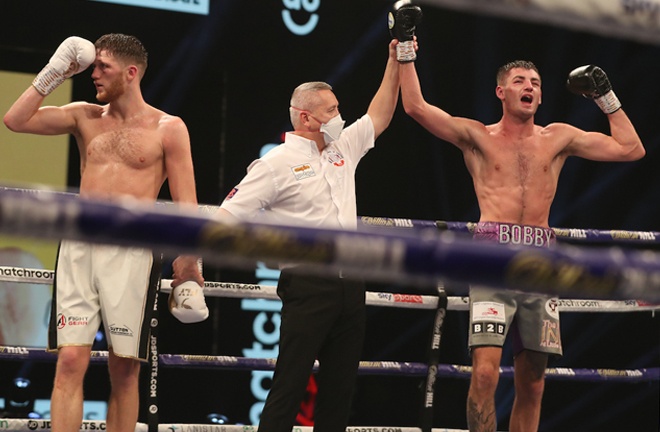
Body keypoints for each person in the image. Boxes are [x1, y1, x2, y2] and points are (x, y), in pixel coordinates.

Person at [398, 40, 645, 432]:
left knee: (533, 382)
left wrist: (605, 95)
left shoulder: (558, 137)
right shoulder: (478, 136)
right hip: (491, 264)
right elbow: (415, 107)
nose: (529, 86)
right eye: (519, 80)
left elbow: (631, 149)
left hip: (541, 265)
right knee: (484, 375)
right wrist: (404, 51)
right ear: (501, 91)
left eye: (535, 81)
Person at [173, 37, 400, 431]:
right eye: (332, 110)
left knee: (339, 391)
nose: (339, 116)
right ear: (306, 118)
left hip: (352, 283)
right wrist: (189, 259)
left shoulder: (342, 147)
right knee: (289, 385)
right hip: (308, 284)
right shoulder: (274, 164)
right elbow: (228, 216)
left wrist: (396, 60)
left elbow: (380, 113)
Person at [3, 34, 207, 432]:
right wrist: (54, 73)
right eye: (92, 65)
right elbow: (15, 120)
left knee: (125, 368)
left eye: (102, 67)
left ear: (131, 74)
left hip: (132, 251)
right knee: (70, 360)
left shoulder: (168, 128)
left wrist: (188, 260)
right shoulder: (84, 116)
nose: (92, 74)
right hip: (79, 246)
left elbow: (187, 203)